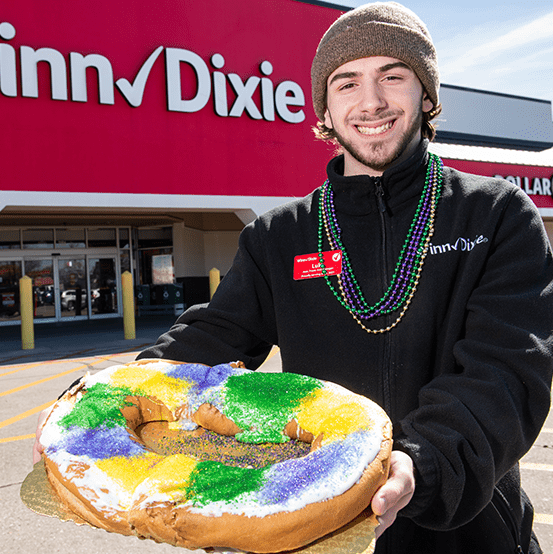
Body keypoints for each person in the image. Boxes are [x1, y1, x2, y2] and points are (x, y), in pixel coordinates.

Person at [35, 3, 553, 552]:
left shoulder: (494, 215)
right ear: (325, 109)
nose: (371, 100)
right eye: (346, 82)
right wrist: (104, 400)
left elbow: (507, 371)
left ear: (425, 96)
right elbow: (208, 344)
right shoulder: (279, 237)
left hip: (467, 529)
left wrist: (419, 466)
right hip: (310, 516)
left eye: (392, 77)